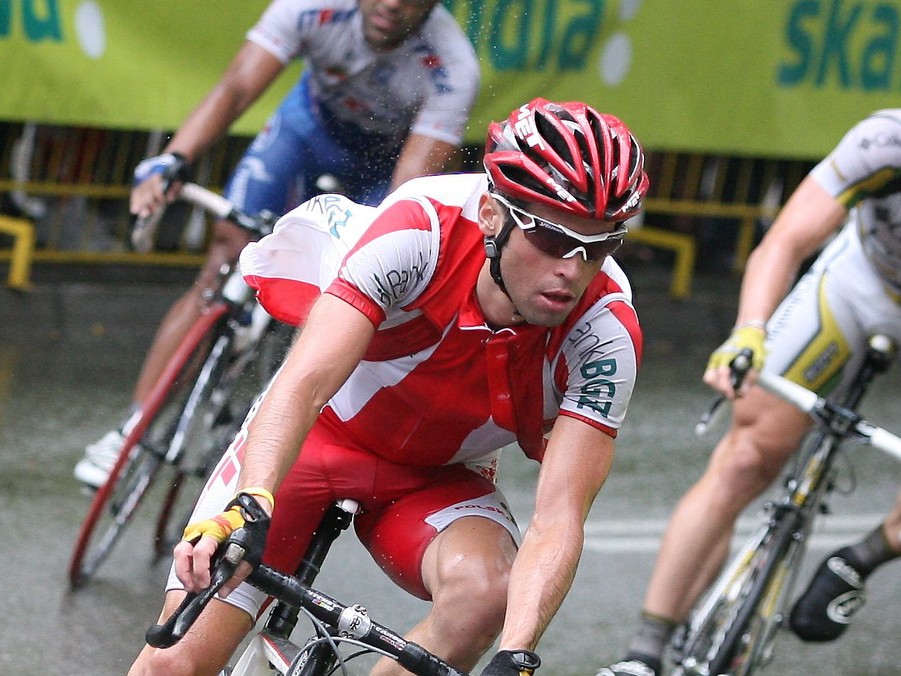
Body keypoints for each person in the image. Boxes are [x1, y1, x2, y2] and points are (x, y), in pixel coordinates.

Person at [126, 98, 650, 675]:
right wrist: (251, 503)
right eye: (552, 240)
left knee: (489, 595)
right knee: (173, 666)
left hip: (435, 476)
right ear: (493, 217)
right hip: (316, 440)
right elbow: (303, 385)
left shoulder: (606, 331)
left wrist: (517, 654)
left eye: (598, 247)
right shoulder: (419, 229)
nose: (572, 271)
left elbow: (558, 519)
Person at [599, 56, 901, 676]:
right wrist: (748, 335)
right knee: (747, 458)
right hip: (853, 285)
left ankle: (860, 559)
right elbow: (784, 242)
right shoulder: (888, 141)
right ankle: (643, 653)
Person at [74, 0, 480, 489]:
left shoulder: (452, 66)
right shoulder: (312, 9)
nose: (391, 4)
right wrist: (174, 159)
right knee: (225, 258)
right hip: (306, 134)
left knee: (354, 288)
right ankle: (131, 430)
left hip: (381, 169)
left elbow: (409, 186)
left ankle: (274, 426)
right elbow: (237, 86)